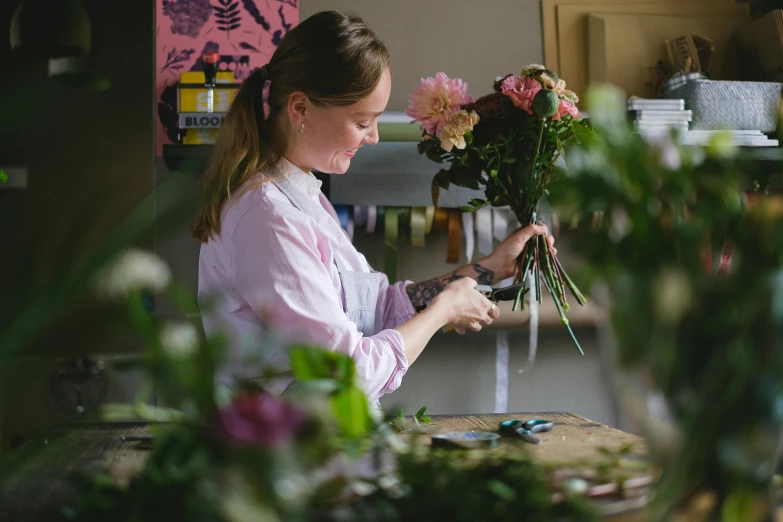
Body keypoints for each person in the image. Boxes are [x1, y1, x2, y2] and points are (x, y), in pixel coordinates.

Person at [192, 10, 553, 402]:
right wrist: (443, 311)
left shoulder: (304, 200)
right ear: (300, 109)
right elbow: (348, 376)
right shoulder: (267, 217)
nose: (374, 138)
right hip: (280, 453)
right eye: (363, 122)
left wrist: (489, 268)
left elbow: (380, 307)